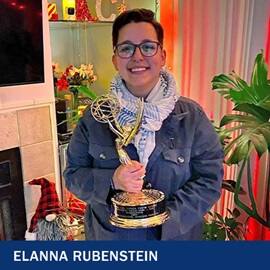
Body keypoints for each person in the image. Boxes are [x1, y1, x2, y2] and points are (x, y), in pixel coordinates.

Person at [64, 8, 224, 240]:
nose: (137, 56)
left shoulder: (191, 117)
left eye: (148, 47)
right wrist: (112, 180)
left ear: (162, 56)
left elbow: (209, 179)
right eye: (126, 48)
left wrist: (165, 217)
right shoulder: (95, 117)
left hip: (174, 241)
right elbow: (72, 175)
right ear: (115, 59)